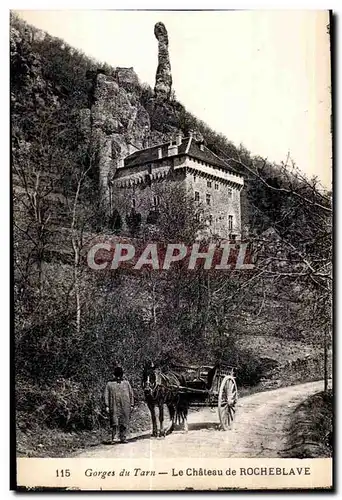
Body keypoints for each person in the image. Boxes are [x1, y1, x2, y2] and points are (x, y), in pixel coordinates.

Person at [104, 366, 134, 443]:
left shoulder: (126, 383)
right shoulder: (109, 384)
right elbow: (106, 395)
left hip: (125, 405)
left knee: (124, 422)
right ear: (114, 375)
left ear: (122, 375)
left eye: (119, 376)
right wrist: (107, 405)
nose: (118, 378)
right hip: (113, 406)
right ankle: (114, 437)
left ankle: (123, 437)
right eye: (117, 376)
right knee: (114, 422)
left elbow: (131, 394)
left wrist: (132, 404)